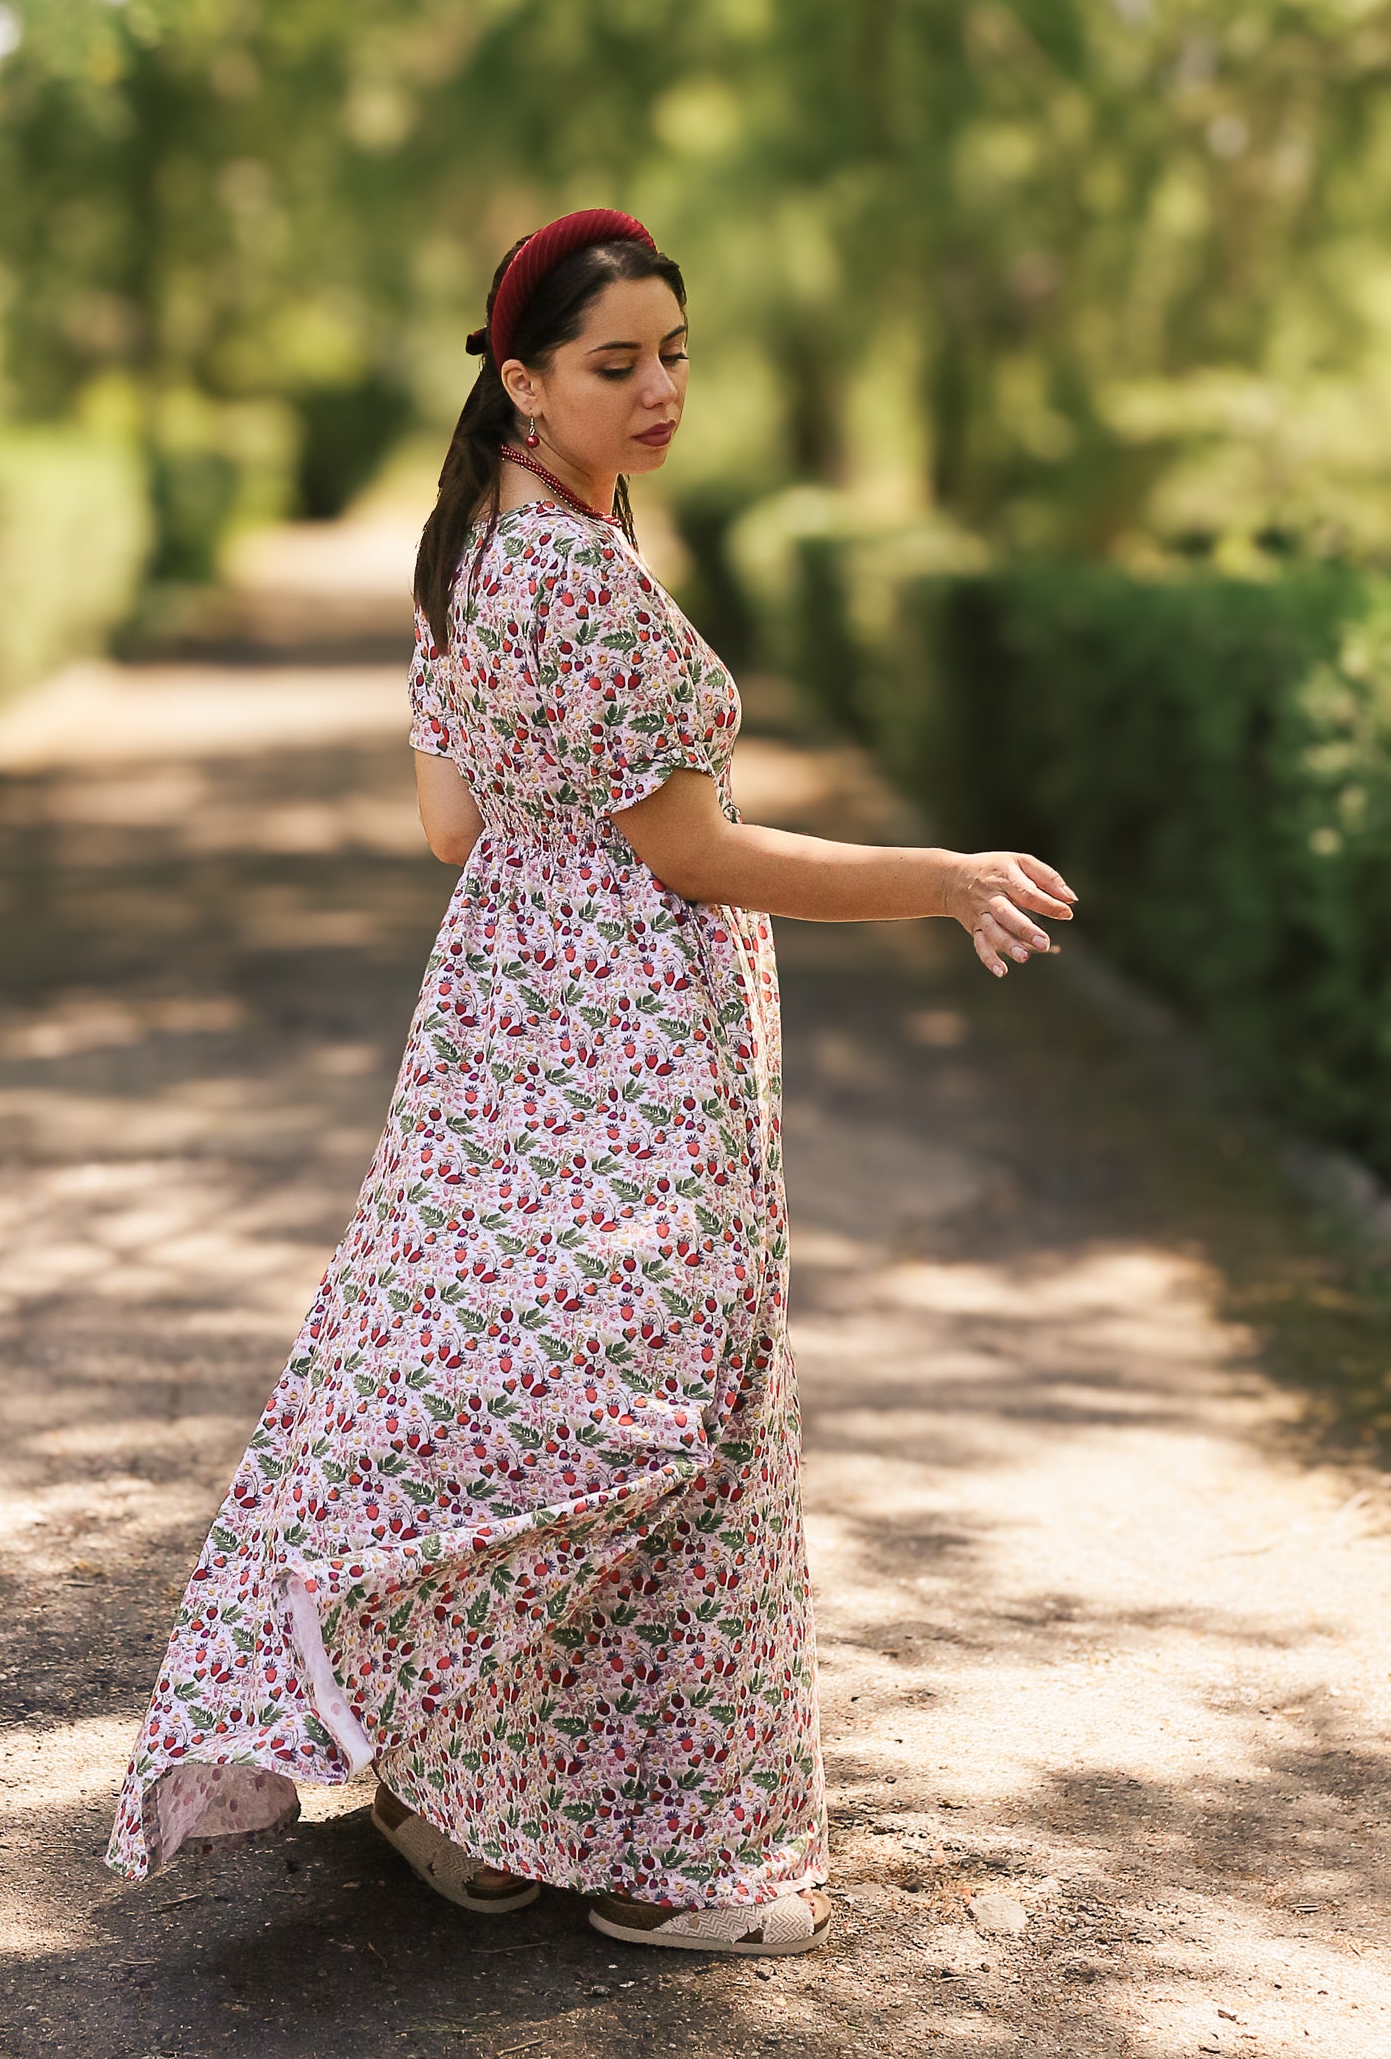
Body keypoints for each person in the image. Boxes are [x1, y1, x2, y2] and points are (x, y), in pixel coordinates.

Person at [106, 209, 1075, 1955]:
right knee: (665, 1395)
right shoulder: (567, 572)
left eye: (673, 356)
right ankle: (651, 1846)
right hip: (620, 1033)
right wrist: (939, 877)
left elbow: (448, 821)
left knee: (513, 1359)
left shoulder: (477, 544)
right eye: (614, 364)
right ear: (521, 379)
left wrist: (561, 820)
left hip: (507, 1010)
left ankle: (459, 1773)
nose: (657, 391)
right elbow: (694, 854)